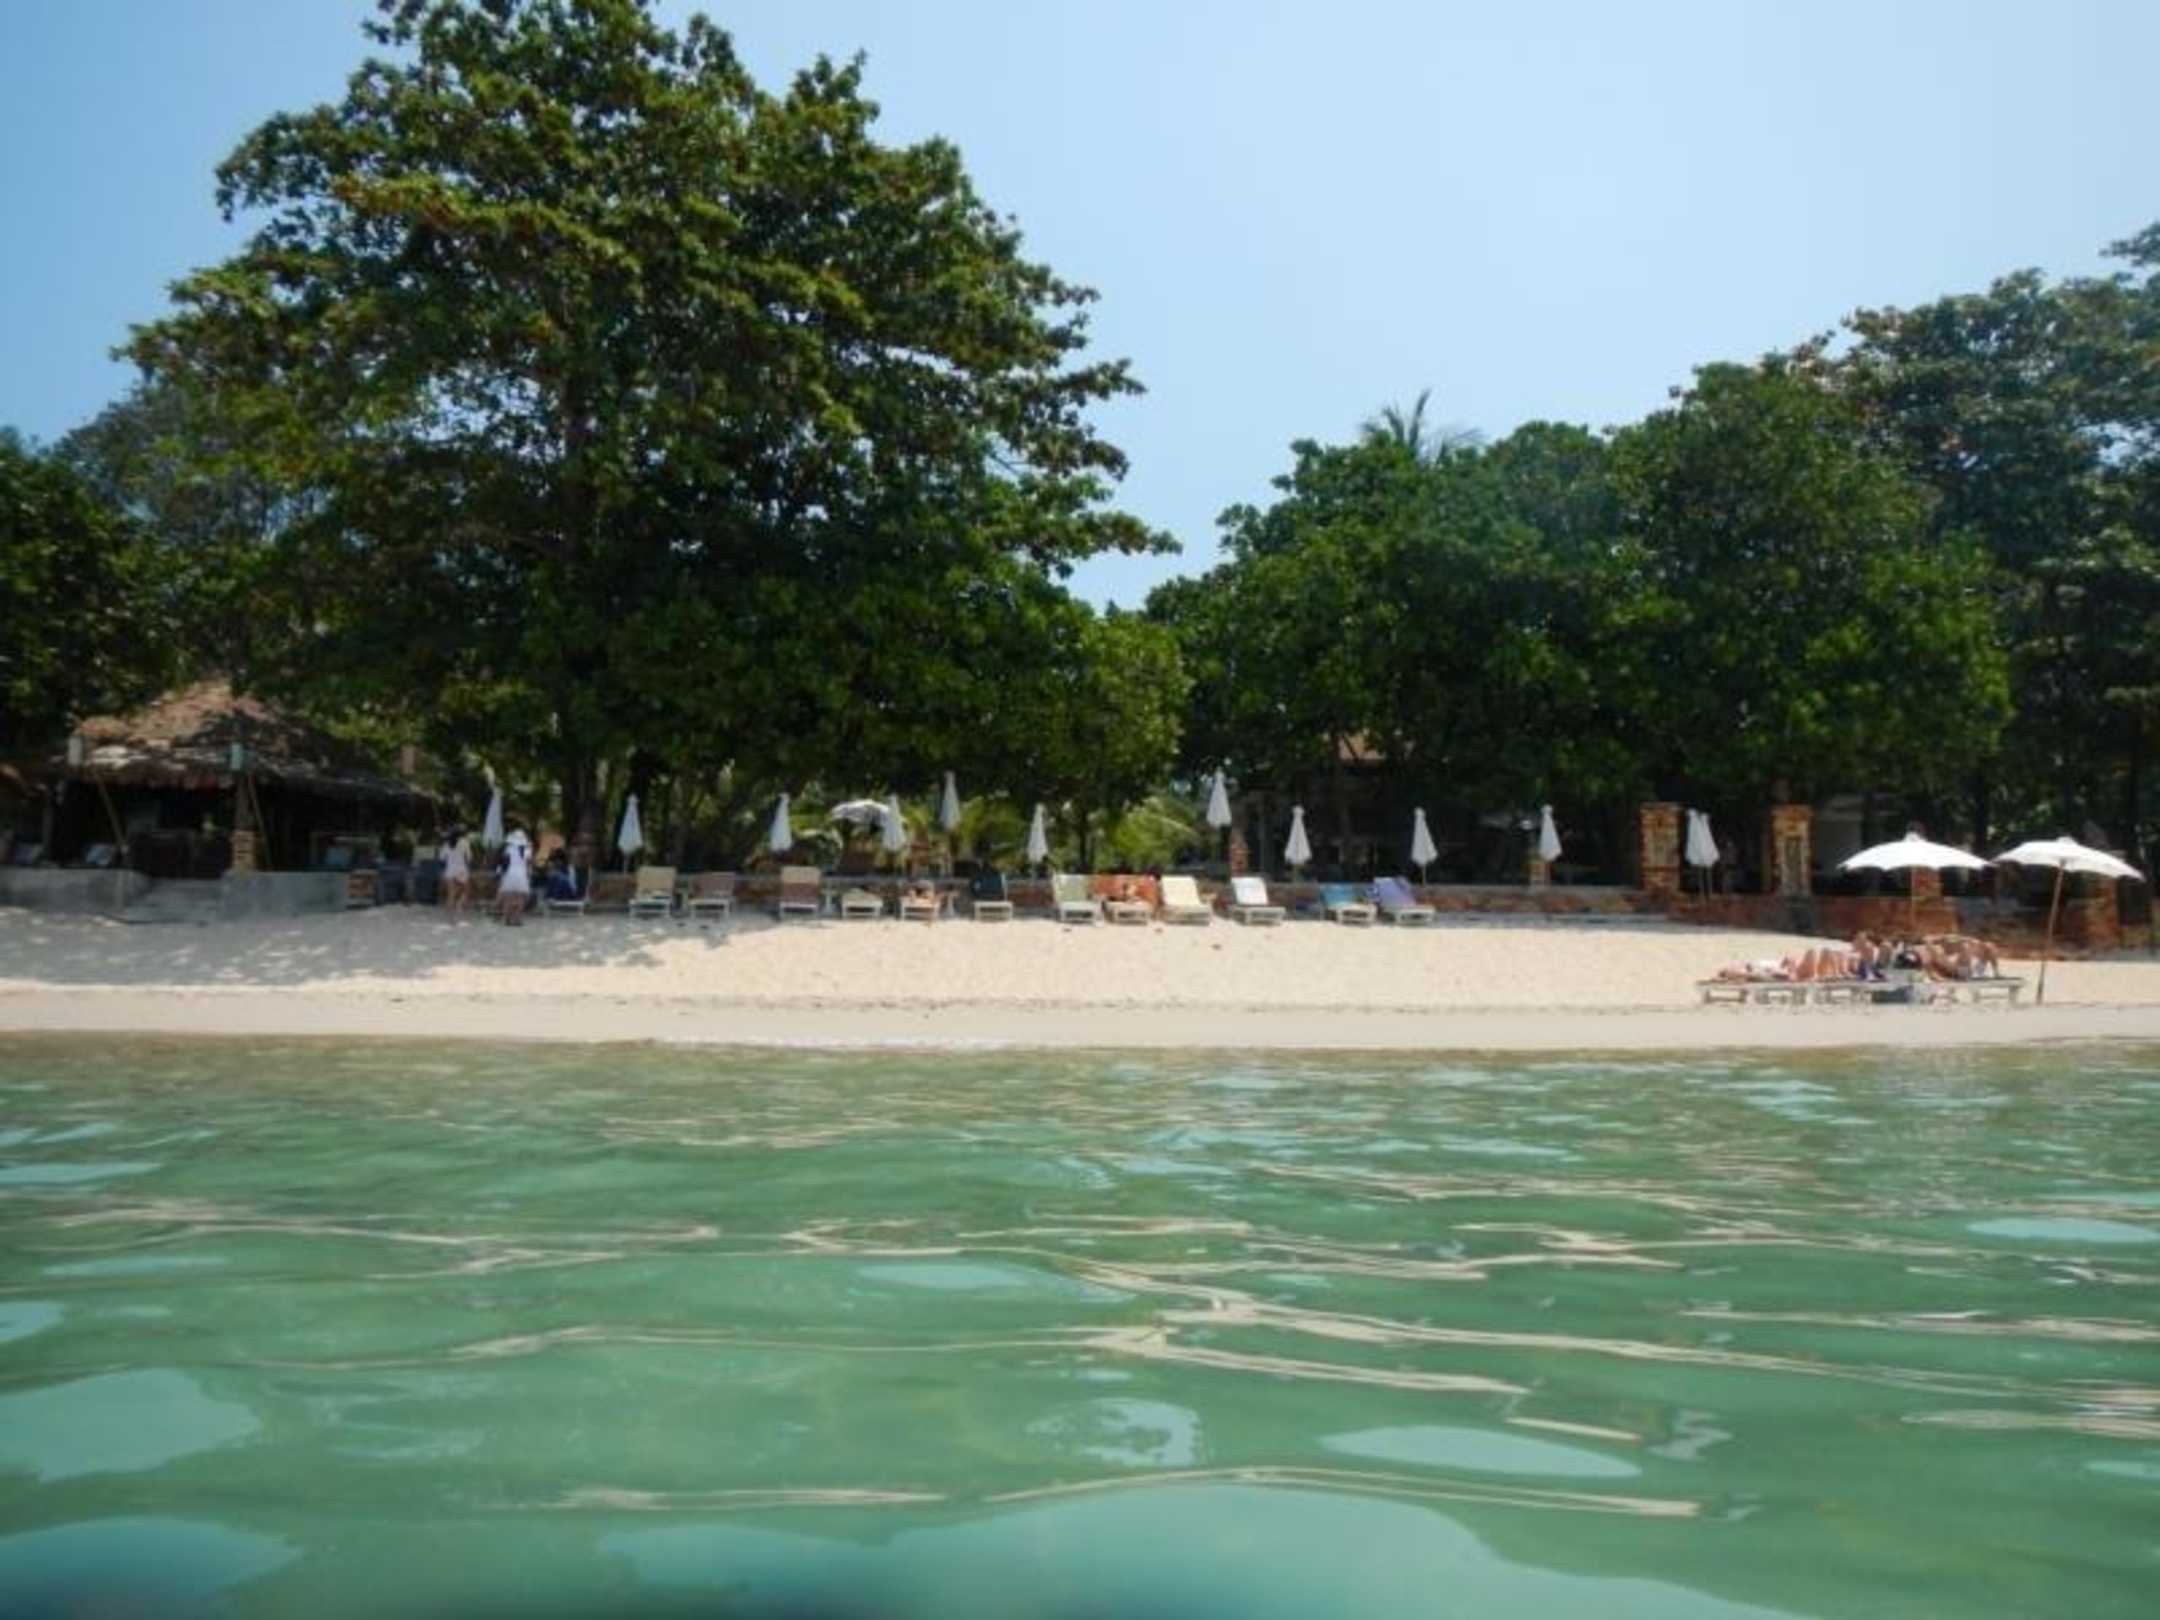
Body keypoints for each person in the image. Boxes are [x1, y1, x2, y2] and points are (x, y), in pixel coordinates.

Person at [497, 826, 532, 925]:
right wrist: (529, 874)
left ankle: (507, 918)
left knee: (509, 897)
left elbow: (504, 862)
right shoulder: (527, 850)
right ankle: (517, 918)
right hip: (521, 873)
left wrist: (501, 873)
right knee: (521, 898)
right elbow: (528, 864)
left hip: (510, 872)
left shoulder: (509, 849)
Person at [441, 825, 472, 922]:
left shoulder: (447, 843)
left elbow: (442, 858)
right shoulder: (465, 842)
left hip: (450, 870)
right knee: (466, 891)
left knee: (451, 894)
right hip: (461, 870)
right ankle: (459, 906)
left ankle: (451, 917)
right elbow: (469, 857)